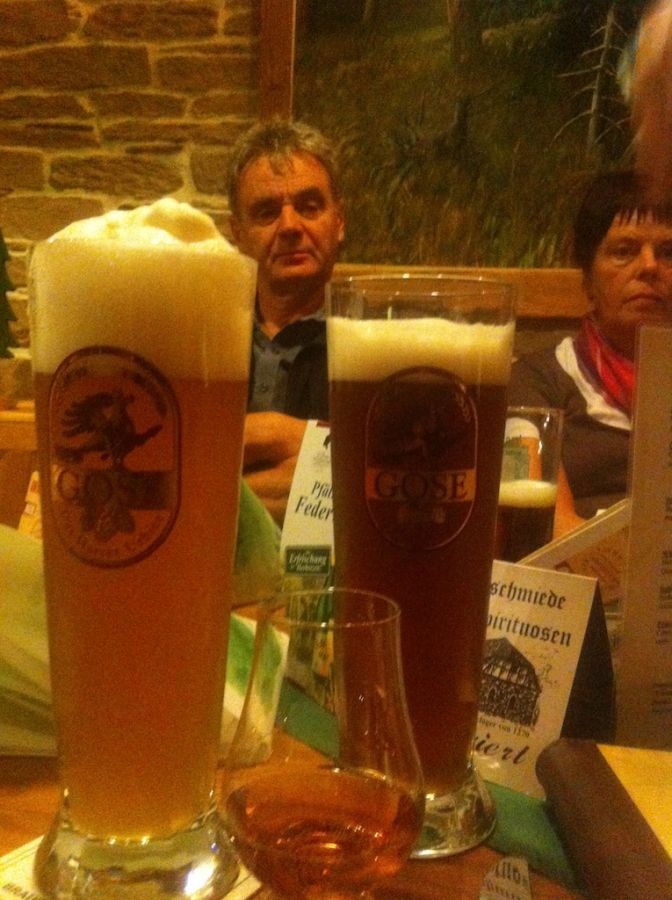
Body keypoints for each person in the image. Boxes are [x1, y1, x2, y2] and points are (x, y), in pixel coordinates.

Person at [508, 169, 672, 530]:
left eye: (668, 253)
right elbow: (549, 526)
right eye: (623, 252)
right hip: (585, 565)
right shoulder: (537, 382)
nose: (649, 266)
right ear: (587, 279)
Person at [226, 118, 345, 524]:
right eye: (266, 212)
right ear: (237, 233)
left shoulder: (377, 346)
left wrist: (311, 455)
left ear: (339, 222)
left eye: (309, 207)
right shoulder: (201, 342)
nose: (291, 226)